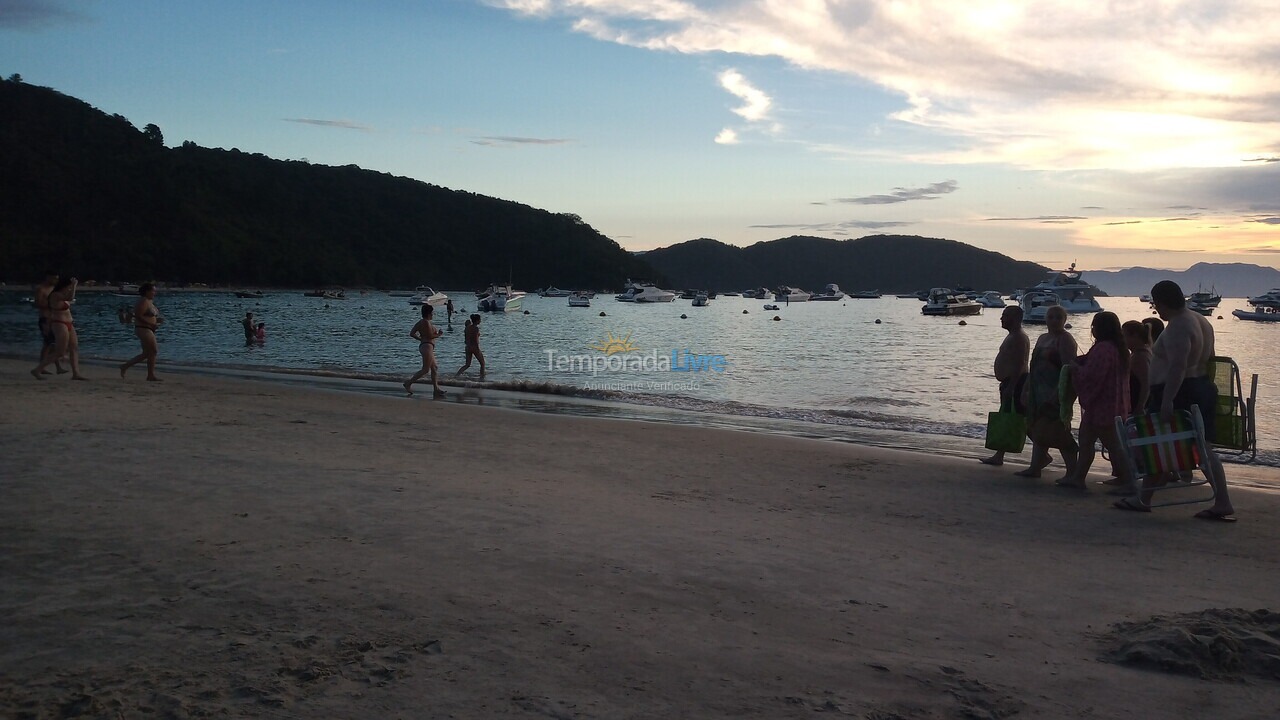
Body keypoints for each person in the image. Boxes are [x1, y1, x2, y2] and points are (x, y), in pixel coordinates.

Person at [1114, 280, 1236, 520]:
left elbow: (1178, 366)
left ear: (1161, 302)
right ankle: (1144, 497)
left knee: (1166, 444)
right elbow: (1209, 358)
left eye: (1155, 303)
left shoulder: (1180, 325)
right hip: (1198, 386)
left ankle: (1220, 501)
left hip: (1181, 391)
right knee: (1174, 445)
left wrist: (1168, 400)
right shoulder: (1201, 320)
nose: (1155, 309)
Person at [1055, 312, 1130, 491]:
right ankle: (1078, 478)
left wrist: (1075, 369)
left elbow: (1092, 376)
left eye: (1094, 326)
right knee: (1086, 440)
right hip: (1114, 402)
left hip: (1103, 404)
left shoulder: (1103, 349)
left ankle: (1129, 482)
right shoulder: (1119, 348)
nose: (1093, 329)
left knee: (1113, 445)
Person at [1014, 305, 1078, 478]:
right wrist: (1026, 388)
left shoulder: (1065, 339)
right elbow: (1034, 366)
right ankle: (1036, 466)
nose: (1054, 320)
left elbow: (1068, 370)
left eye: (1058, 317)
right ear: (1046, 318)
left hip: (1055, 390)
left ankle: (1072, 471)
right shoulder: (1042, 338)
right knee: (1036, 427)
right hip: (1037, 389)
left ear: (1065, 320)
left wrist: (1059, 394)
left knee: (1059, 430)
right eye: (1051, 317)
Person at [980, 305, 1029, 466]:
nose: (1001, 318)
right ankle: (999, 455)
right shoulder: (1013, 336)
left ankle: (1041, 452)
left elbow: (1020, 363)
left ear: (1015, 319)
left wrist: (1012, 386)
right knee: (1008, 417)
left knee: (1018, 419)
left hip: (1015, 383)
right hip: (1010, 382)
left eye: (1005, 315)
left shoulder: (1019, 337)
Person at [31, 276, 86, 380]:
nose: (69, 288)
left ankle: (76, 373)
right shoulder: (55, 295)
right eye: (68, 287)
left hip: (69, 322)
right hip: (59, 323)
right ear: (64, 286)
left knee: (74, 347)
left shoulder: (64, 295)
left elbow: (69, 299)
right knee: (60, 351)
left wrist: (72, 288)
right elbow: (70, 298)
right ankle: (37, 369)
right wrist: (74, 286)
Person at [119, 283, 162, 381]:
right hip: (143, 328)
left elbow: (148, 315)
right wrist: (151, 324)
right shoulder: (143, 301)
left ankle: (125, 366)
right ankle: (150, 375)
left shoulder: (149, 301)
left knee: (147, 353)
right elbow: (139, 316)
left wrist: (156, 320)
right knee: (153, 350)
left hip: (148, 328)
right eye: (153, 291)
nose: (154, 293)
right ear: (147, 291)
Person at [403, 303, 445, 398]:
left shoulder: (421, 322)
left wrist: (421, 339)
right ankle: (408, 383)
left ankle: (436, 389)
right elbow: (430, 335)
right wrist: (439, 334)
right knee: (425, 369)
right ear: (429, 313)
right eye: (432, 313)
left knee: (434, 368)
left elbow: (412, 333)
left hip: (426, 346)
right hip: (427, 346)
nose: (433, 314)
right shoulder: (425, 322)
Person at [33, 271, 67, 375]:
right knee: (47, 343)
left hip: (54, 318)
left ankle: (57, 367)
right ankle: (41, 366)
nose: (56, 281)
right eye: (54, 278)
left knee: (54, 343)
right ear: (48, 278)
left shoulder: (54, 289)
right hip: (45, 318)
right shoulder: (41, 289)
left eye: (57, 278)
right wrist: (51, 304)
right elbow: (38, 303)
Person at [1123, 320, 1152, 415]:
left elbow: (1146, 384)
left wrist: (1140, 406)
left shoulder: (1140, 357)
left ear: (1135, 336)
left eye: (1124, 336)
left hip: (1137, 404)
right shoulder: (1145, 351)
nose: (1122, 339)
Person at [456, 313, 486, 379]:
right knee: (482, 363)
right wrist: (478, 348)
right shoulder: (476, 328)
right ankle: (482, 378)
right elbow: (476, 339)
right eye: (480, 320)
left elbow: (466, 339)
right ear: (477, 320)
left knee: (467, 364)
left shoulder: (467, 328)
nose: (480, 321)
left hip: (468, 347)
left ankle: (457, 375)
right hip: (474, 347)